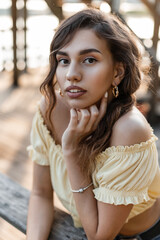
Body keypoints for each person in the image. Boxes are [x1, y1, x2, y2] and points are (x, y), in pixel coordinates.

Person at [26, 8, 160, 240]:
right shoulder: (50, 108)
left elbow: (99, 236)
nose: (72, 74)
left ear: (117, 72)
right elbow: (40, 194)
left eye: (89, 60)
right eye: (64, 60)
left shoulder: (129, 129)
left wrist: (71, 151)